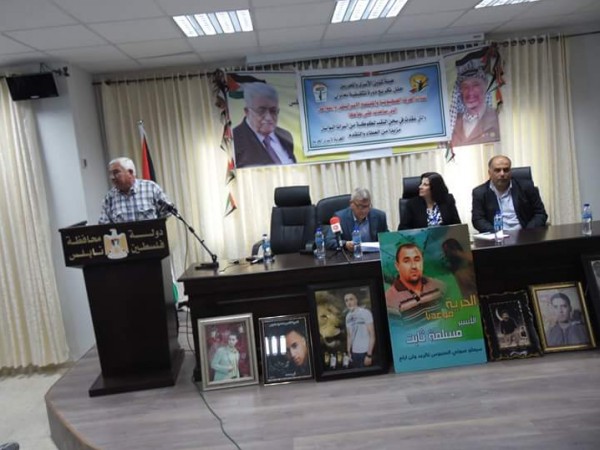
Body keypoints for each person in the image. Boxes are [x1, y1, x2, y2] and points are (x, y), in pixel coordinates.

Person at [471, 155, 548, 233]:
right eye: (497, 170)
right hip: (496, 236)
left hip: (525, 234)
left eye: (506, 170)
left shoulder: (527, 188)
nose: (502, 174)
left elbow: (540, 214)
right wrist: (496, 234)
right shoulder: (480, 193)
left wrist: (527, 232)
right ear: (489, 173)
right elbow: (478, 219)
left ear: (510, 172)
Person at [233, 82, 296, 168]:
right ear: (247, 111)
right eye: (261, 111)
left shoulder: (286, 136)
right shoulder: (235, 141)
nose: (268, 117)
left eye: (273, 111)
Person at [385, 243, 446, 321]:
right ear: (397, 266)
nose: (414, 266)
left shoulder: (439, 286)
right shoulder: (389, 301)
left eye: (417, 260)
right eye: (406, 261)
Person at [98, 157, 169, 224]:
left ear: (130, 172)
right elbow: (103, 224)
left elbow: (168, 215)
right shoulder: (109, 197)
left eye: (116, 172)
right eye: (110, 174)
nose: (112, 177)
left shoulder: (151, 188)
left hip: (151, 232)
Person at [451, 69, 500, 147]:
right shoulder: (453, 123)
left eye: (475, 85)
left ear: (485, 88)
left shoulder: (498, 118)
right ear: (461, 91)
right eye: (465, 86)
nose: (470, 92)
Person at [344, 291, 375, 368]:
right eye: (346, 300)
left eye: (351, 299)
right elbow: (349, 335)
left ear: (356, 300)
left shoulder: (365, 312)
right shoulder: (348, 316)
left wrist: (369, 355)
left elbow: (372, 335)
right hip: (354, 353)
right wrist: (348, 351)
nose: (349, 302)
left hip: (365, 352)